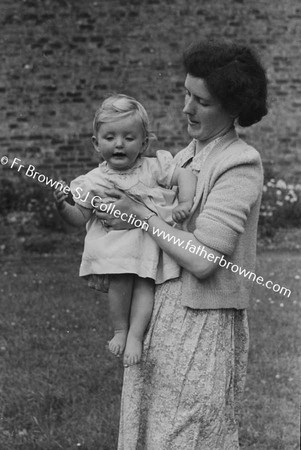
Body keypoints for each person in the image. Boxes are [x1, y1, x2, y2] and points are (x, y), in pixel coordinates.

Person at [96, 40, 268, 449]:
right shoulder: (183, 159)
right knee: (150, 432)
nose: (186, 108)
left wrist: (140, 214)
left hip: (202, 322)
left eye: (201, 101)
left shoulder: (239, 163)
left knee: (186, 436)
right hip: (156, 315)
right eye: (186, 94)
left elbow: (205, 260)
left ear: (233, 107)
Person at [54, 94, 197, 367]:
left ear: (144, 142)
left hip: (148, 244)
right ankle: (120, 329)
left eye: (129, 138)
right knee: (122, 281)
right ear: (97, 144)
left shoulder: (153, 167)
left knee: (145, 284)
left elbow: (185, 175)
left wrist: (186, 201)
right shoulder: (93, 181)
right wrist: (64, 209)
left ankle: (135, 335)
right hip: (118, 248)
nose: (119, 144)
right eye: (110, 137)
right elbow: (80, 215)